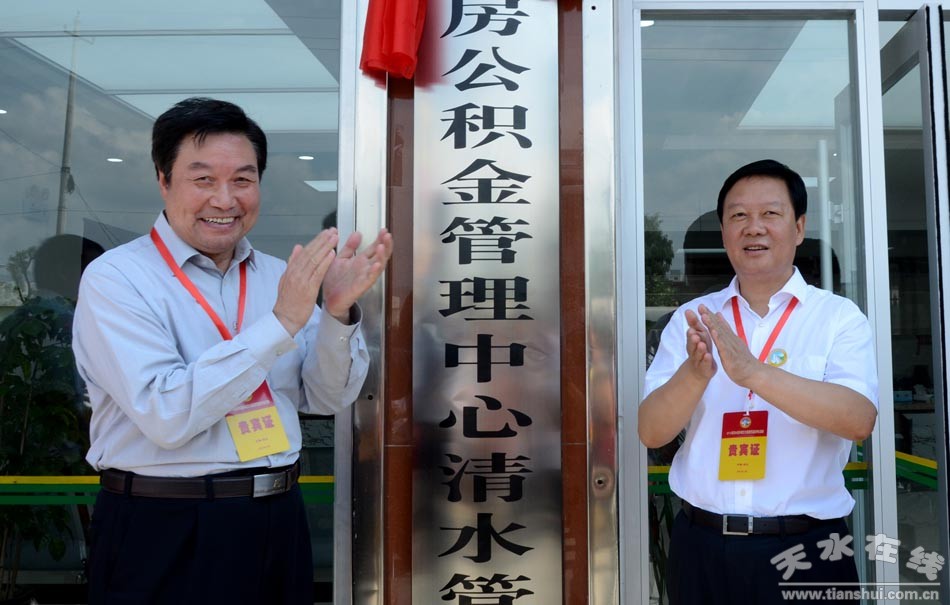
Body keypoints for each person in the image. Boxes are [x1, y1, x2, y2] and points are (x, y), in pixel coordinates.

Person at [72, 97, 392, 604]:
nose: (225, 200)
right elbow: (167, 414)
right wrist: (281, 323)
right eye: (203, 179)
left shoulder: (276, 276)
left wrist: (335, 312)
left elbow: (325, 397)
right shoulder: (117, 278)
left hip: (277, 517)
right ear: (163, 180)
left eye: (243, 179)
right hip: (166, 525)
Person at [638, 159, 878, 604]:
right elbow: (652, 431)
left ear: (799, 227)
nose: (754, 227)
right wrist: (694, 374)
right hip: (701, 545)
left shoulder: (838, 318)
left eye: (770, 213)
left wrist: (753, 372)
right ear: (724, 233)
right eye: (738, 216)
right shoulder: (693, 319)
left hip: (807, 549)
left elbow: (858, 419)